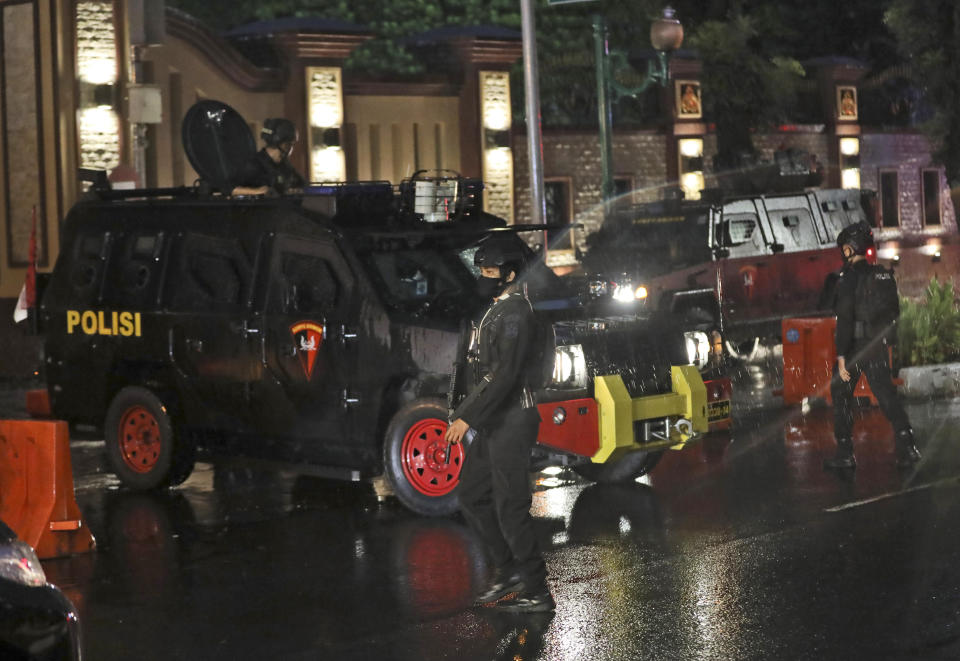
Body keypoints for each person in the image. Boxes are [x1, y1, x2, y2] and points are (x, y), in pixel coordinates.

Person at [444, 235, 553, 613]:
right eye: (482, 270)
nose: (484, 276)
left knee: (511, 509)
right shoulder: (496, 308)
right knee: (472, 495)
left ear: (509, 273)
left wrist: (465, 417)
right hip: (494, 420)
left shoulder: (517, 315)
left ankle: (537, 591)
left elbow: (503, 376)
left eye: (490, 271)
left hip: (513, 420)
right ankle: (507, 571)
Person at [824, 221, 921, 470]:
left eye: (844, 248)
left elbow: (845, 319)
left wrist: (842, 356)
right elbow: (894, 312)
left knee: (841, 394)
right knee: (886, 395)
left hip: (855, 348)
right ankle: (908, 446)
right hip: (877, 345)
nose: (843, 252)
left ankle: (845, 453)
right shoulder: (882, 275)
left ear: (850, 249)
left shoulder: (846, 279)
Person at [231, 118, 306, 196]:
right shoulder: (253, 164)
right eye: (289, 144)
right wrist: (257, 191)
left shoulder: (285, 166)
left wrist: (297, 190)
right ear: (282, 144)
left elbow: (302, 185)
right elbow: (230, 189)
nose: (291, 148)